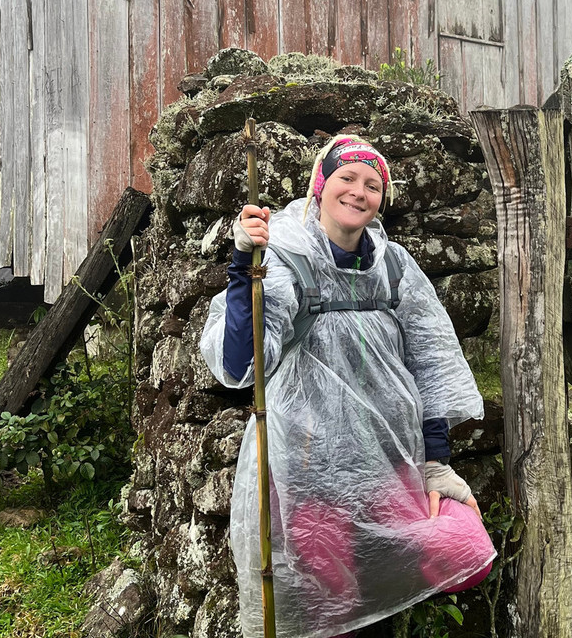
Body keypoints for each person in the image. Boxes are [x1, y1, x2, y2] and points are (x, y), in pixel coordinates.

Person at [200, 135, 495, 638]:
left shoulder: (394, 267)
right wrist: (244, 267)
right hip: (308, 476)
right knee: (329, 608)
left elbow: (432, 364)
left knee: (459, 555)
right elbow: (240, 363)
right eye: (347, 178)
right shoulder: (285, 257)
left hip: (390, 470)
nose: (359, 192)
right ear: (321, 184)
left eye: (372, 185)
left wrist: (436, 463)